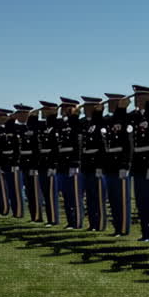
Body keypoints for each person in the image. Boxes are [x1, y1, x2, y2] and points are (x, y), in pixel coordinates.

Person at [129, 85, 149, 242]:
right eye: (136, 96)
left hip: (148, 162)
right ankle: (145, 232)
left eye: (141, 97)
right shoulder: (134, 116)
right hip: (137, 164)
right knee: (141, 200)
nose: (137, 100)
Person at [103, 93, 134, 237]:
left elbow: (129, 144)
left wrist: (125, 165)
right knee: (113, 200)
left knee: (122, 200)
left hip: (120, 165)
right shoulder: (109, 120)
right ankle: (117, 227)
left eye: (111, 102)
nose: (108, 104)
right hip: (110, 165)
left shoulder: (126, 120)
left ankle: (123, 228)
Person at [55, 97, 85, 229]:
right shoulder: (62, 124)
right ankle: (70, 221)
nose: (62, 110)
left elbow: (78, 144)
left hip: (72, 164)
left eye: (66, 108)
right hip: (62, 164)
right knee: (66, 195)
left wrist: (75, 163)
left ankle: (77, 222)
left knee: (75, 196)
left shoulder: (77, 123)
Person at [79, 97, 108, 232]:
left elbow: (103, 147)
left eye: (88, 107)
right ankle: (92, 223)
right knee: (90, 197)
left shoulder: (101, 123)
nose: (85, 109)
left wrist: (100, 166)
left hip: (97, 165)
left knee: (98, 198)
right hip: (87, 166)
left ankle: (100, 224)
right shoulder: (85, 123)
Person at [14, 104, 43, 222]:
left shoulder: (35, 127)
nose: (18, 116)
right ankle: (33, 216)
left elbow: (39, 147)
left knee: (35, 192)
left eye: (21, 114)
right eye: (17, 114)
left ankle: (38, 217)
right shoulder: (18, 128)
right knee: (29, 192)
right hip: (24, 164)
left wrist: (36, 164)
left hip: (33, 164)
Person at [36, 101, 61, 226]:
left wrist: (53, 165)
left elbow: (56, 148)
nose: (42, 112)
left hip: (50, 165)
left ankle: (54, 219)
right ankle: (50, 218)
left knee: (51, 194)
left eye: (45, 109)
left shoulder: (57, 125)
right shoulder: (44, 126)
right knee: (46, 193)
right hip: (42, 165)